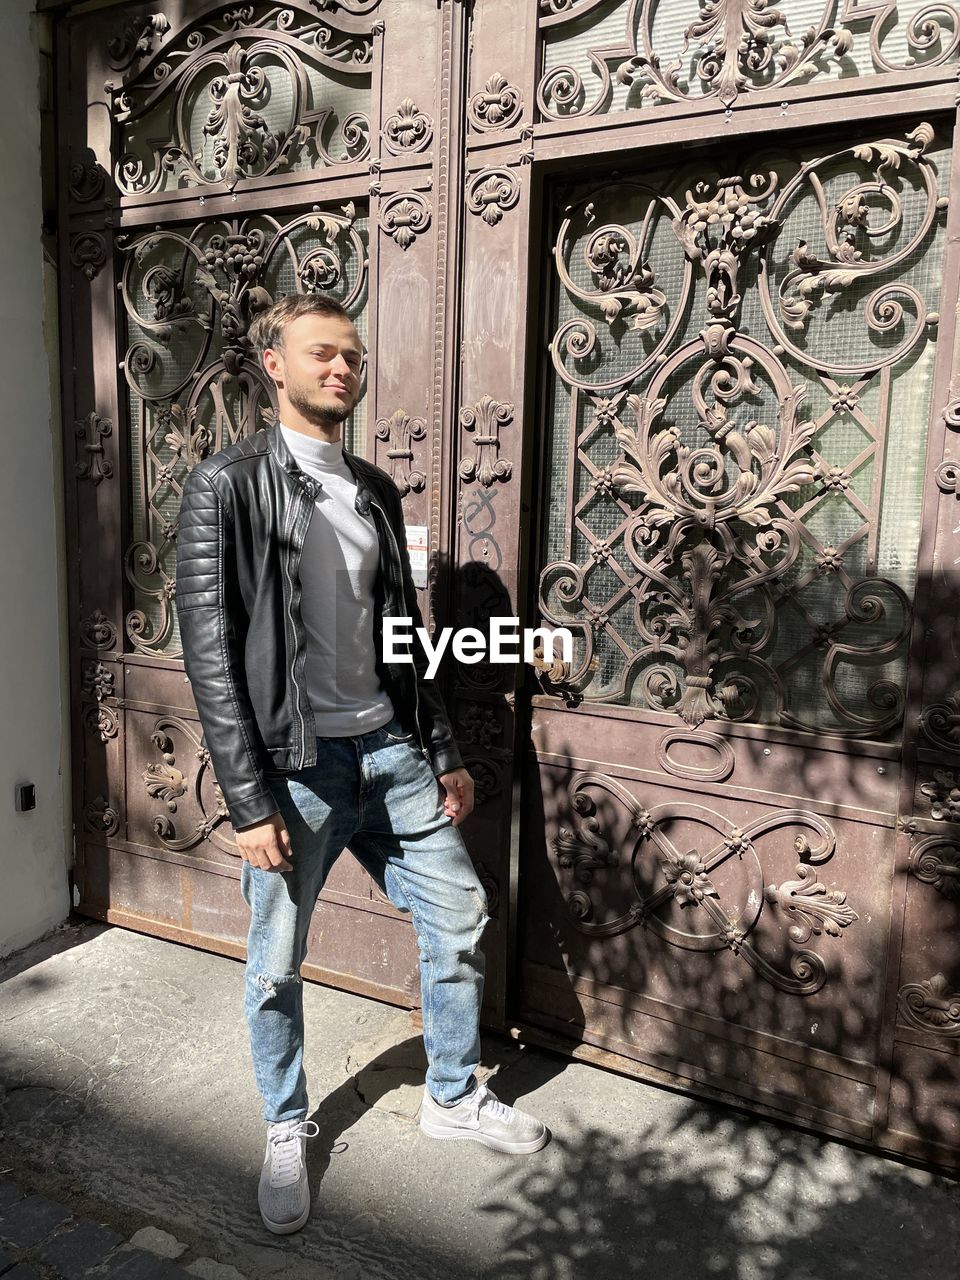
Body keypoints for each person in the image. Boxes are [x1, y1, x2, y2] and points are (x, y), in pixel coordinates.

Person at [176, 293, 548, 1236]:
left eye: (352, 356)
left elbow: (400, 634)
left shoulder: (373, 490)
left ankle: (452, 1093)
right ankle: (285, 1124)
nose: (342, 369)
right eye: (320, 355)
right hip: (294, 768)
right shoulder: (226, 485)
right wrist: (247, 794)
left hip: (388, 745)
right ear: (275, 365)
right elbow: (211, 653)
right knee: (276, 961)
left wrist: (442, 745)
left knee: (460, 911)